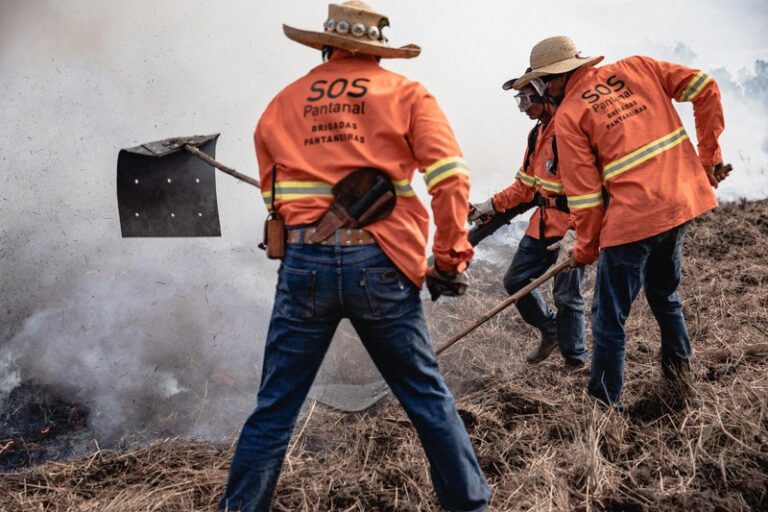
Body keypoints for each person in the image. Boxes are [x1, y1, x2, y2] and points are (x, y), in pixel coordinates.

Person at [218, 2, 490, 511]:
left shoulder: (285, 101)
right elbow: (450, 179)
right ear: (376, 52)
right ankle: (470, 507)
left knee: (274, 409)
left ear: (325, 45)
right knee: (427, 399)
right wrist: (450, 259)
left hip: (303, 264)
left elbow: (272, 191)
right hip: (380, 264)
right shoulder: (407, 93)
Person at [511, 36, 730, 409]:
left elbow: (585, 197)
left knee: (609, 319)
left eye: (544, 81)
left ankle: (603, 405)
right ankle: (680, 383)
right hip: (680, 203)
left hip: (634, 220)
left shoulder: (569, 116)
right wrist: (708, 157)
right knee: (664, 295)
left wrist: (584, 248)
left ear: (560, 76)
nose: (543, 89)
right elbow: (705, 86)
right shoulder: (638, 67)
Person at [468, 77, 589, 369]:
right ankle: (551, 330)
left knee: (566, 295)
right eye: (519, 101)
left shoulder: (571, 129)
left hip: (572, 227)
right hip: (542, 224)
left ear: (544, 94)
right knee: (515, 280)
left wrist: (576, 232)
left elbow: (588, 189)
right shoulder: (537, 134)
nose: (523, 108)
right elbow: (525, 186)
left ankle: (575, 361)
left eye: (526, 99)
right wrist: (491, 205)